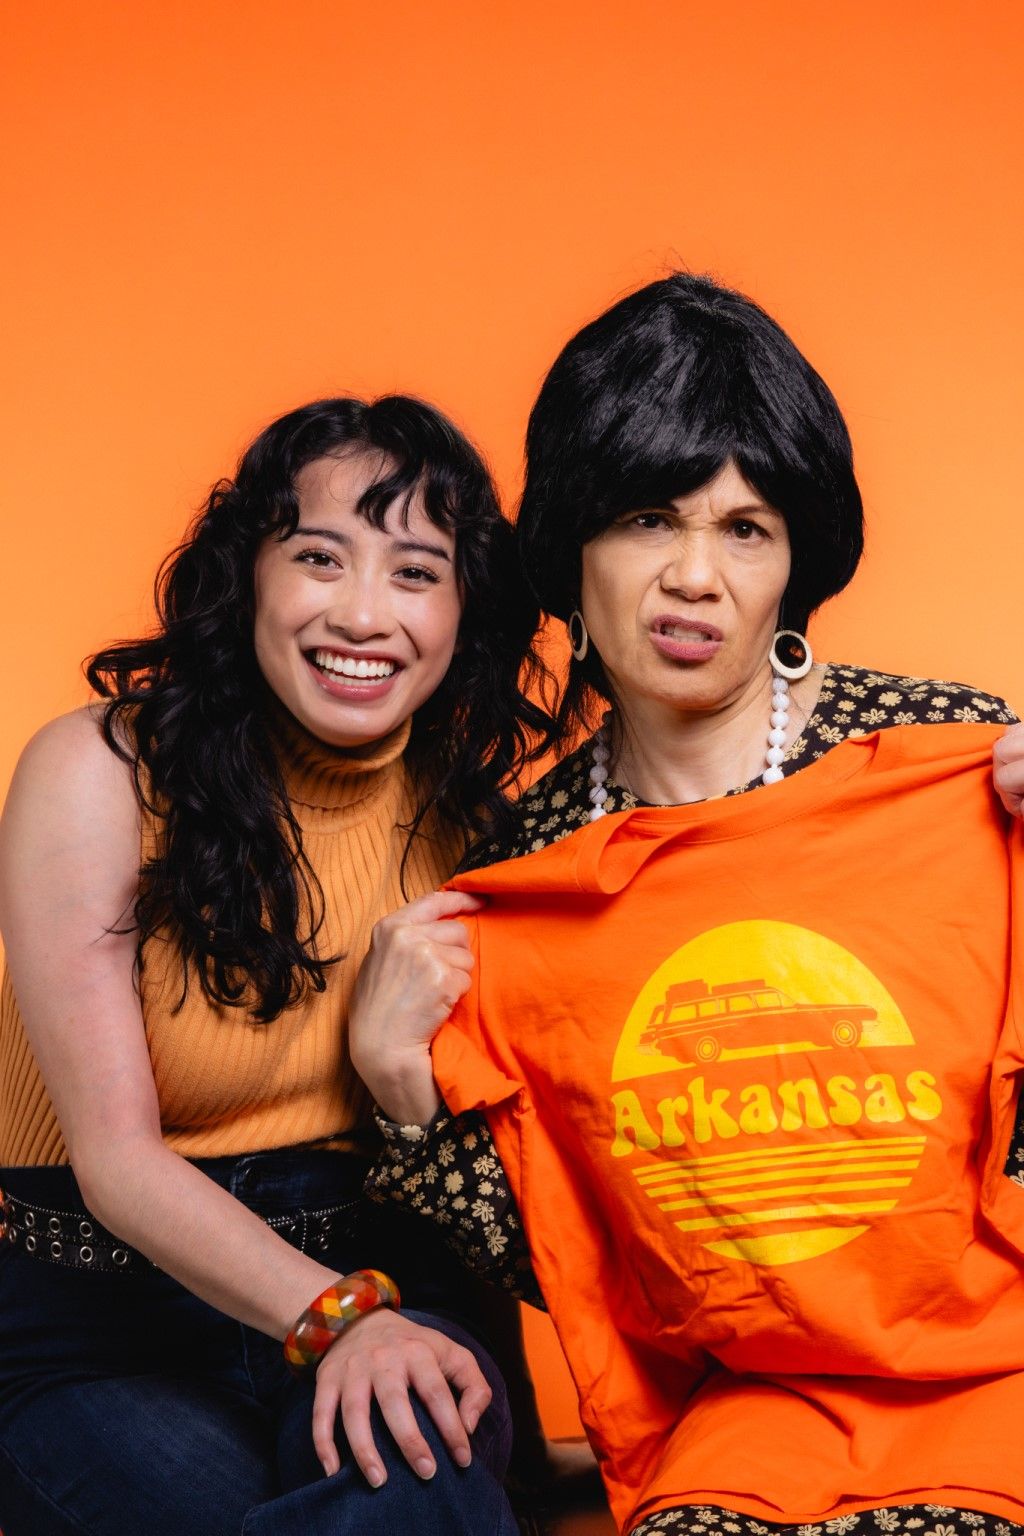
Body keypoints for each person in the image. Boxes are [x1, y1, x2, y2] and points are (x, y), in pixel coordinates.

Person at [344, 277, 1024, 1536]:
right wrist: (402, 1096)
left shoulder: (957, 767)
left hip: (1002, 1372)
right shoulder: (527, 873)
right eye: (649, 519)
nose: (695, 578)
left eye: (746, 529)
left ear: (794, 564)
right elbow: (587, 1260)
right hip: (749, 1413)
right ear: (573, 547)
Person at [0, 394, 552, 1535]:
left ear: (464, 611)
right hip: (102, 1325)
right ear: (247, 573)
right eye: (318, 557)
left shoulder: (475, 829)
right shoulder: (99, 773)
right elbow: (115, 1161)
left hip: (389, 1286)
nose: (363, 613)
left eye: (415, 572)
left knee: (423, 1463)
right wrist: (342, 1320)